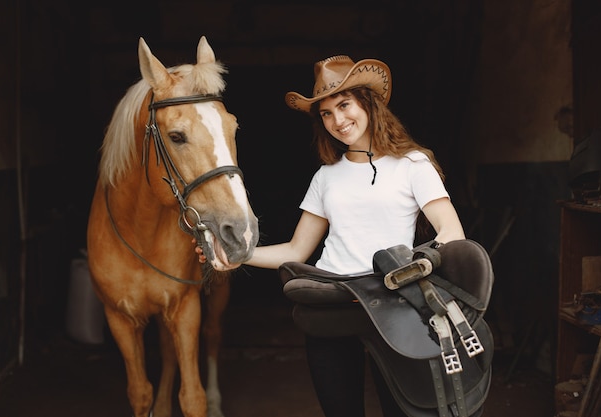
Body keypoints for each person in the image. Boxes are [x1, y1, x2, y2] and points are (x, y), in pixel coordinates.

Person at [196, 55, 466, 417]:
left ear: (366, 104)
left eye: (344, 105)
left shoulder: (413, 165)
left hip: (395, 305)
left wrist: (420, 265)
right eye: (326, 113)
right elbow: (296, 249)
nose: (338, 120)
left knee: (404, 410)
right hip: (332, 305)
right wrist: (236, 253)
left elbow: (452, 232)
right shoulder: (326, 177)